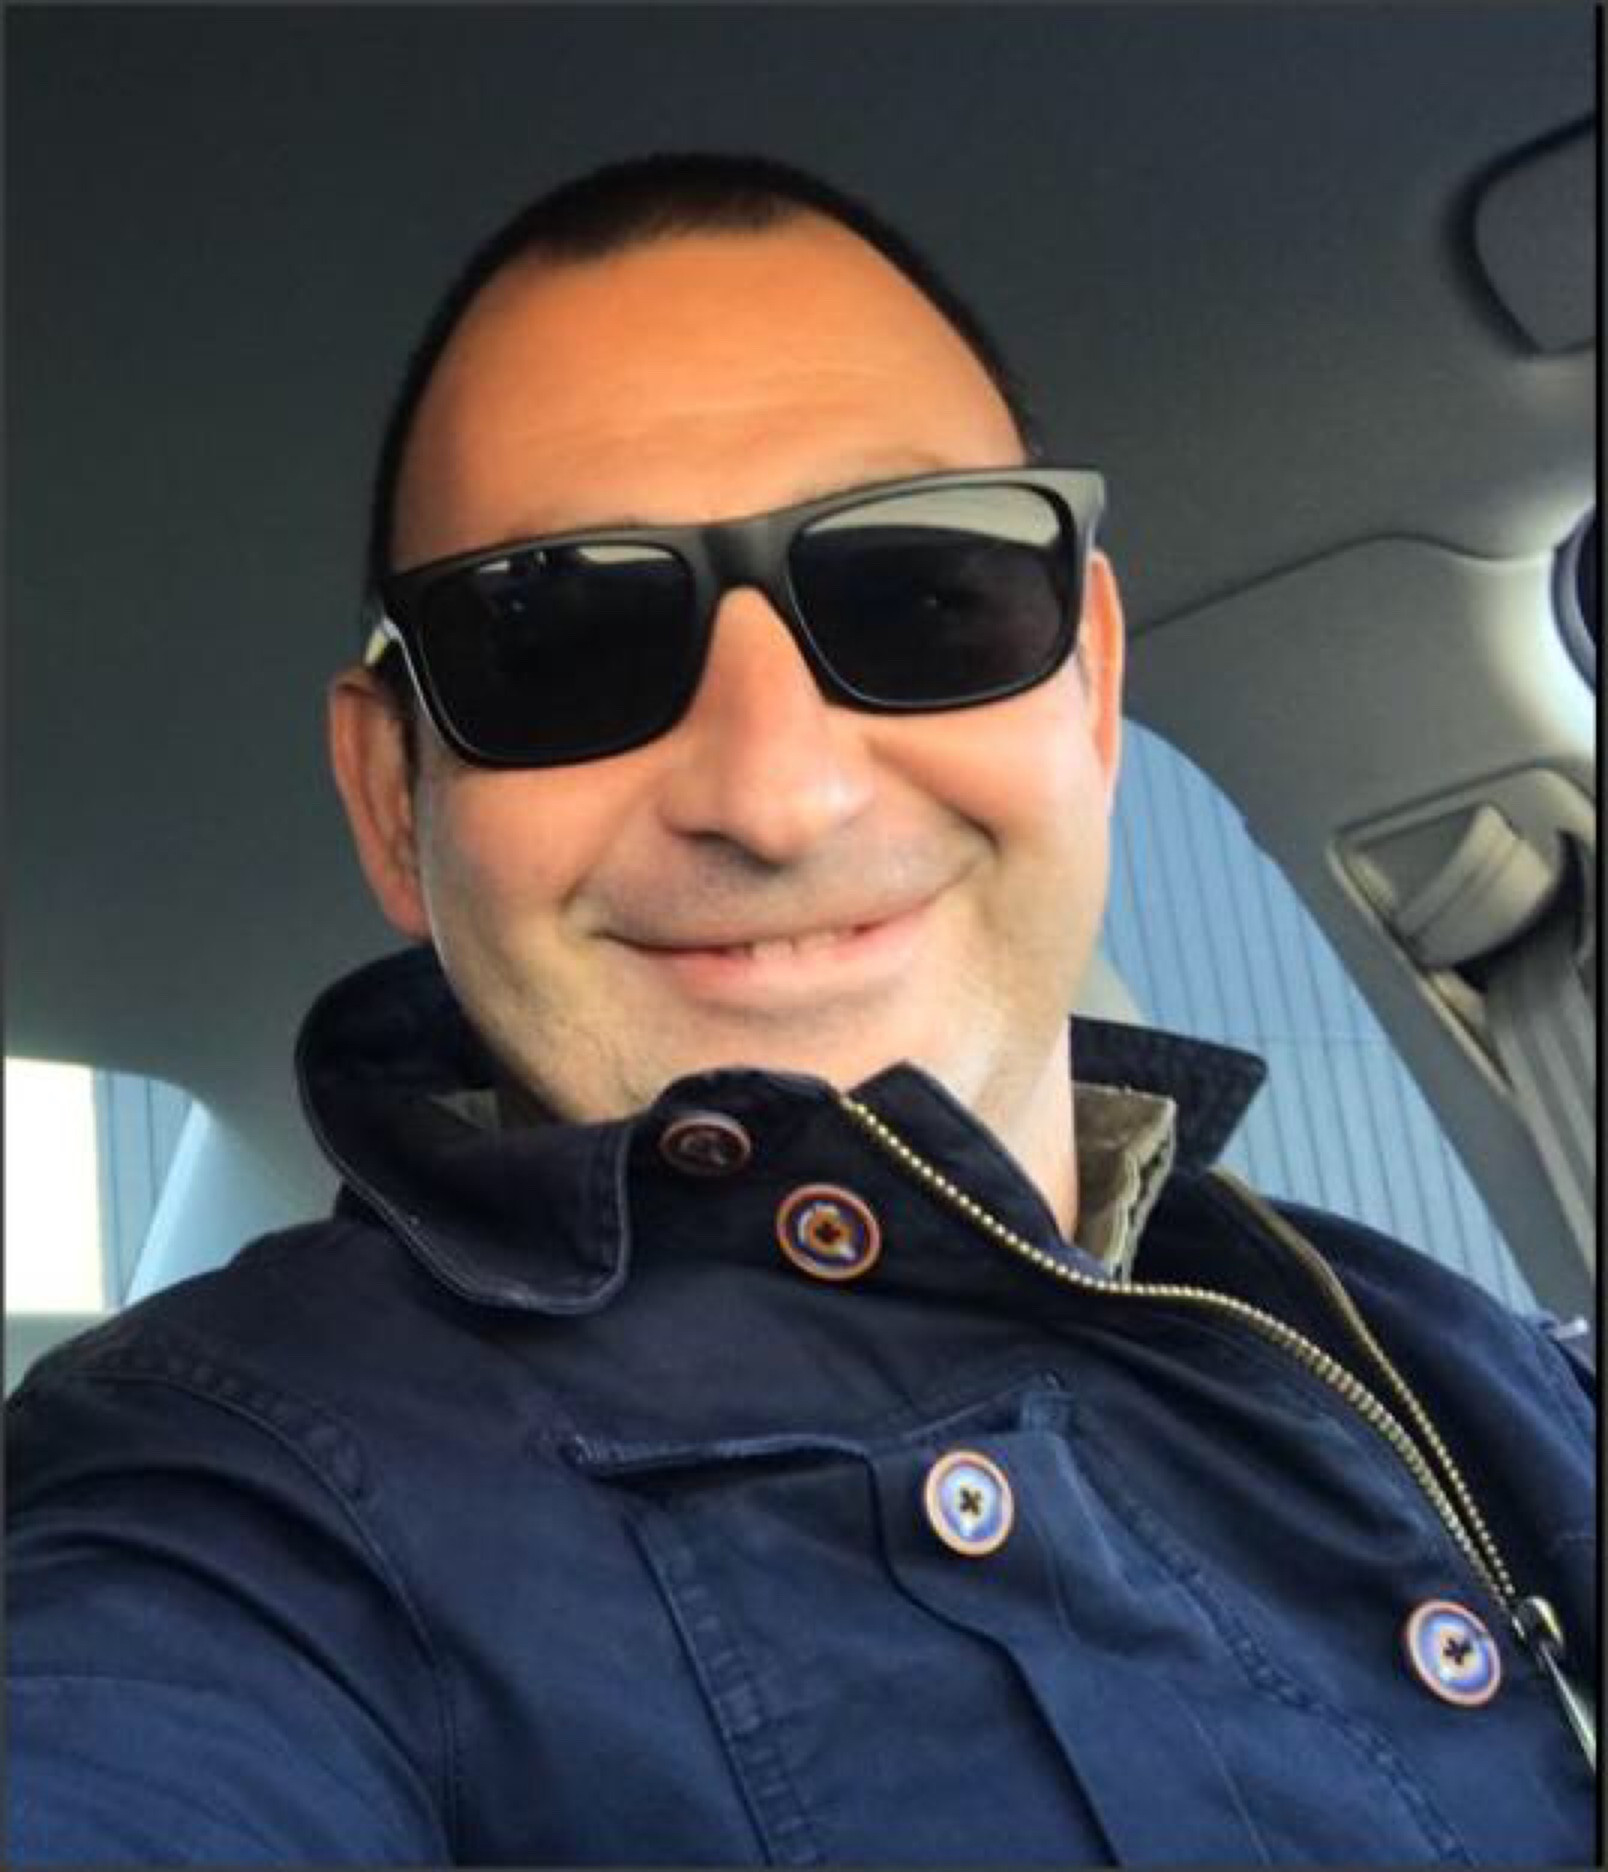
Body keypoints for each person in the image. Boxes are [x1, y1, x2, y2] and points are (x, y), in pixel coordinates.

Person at [7, 152, 1596, 1866]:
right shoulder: (235, 1495)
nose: (779, 799)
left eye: (924, 596)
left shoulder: (1451, 1365)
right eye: (559, 638)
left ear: (1089, 688)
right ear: (397, 799)